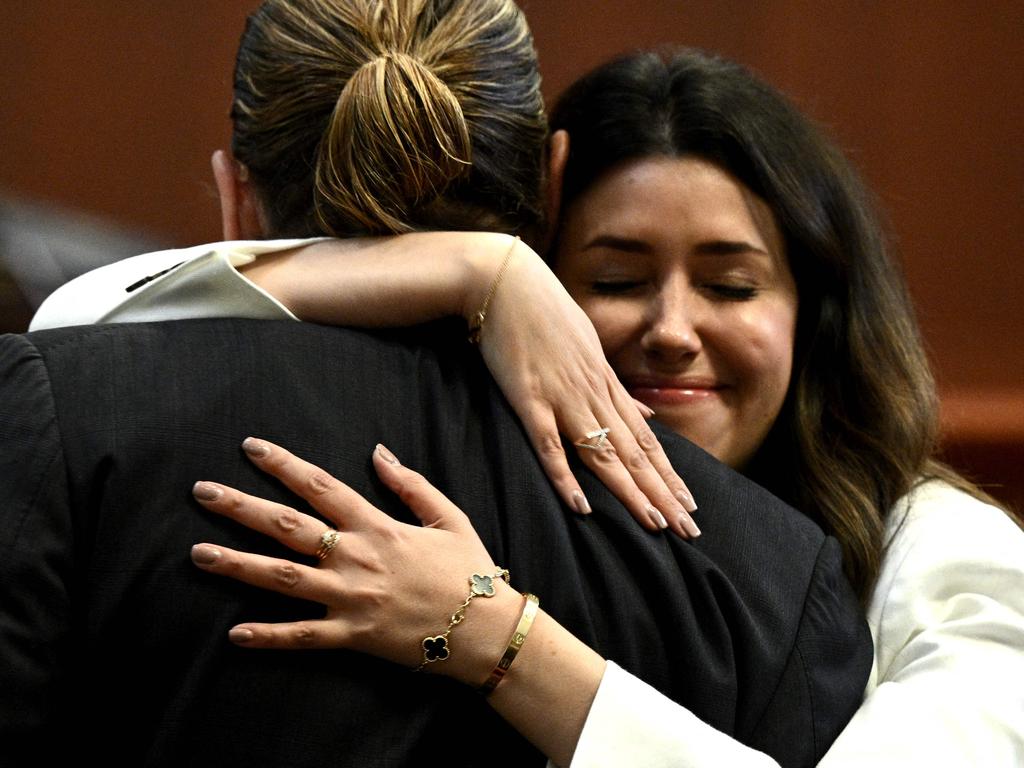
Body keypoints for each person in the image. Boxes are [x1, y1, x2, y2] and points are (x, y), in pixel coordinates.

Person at [56, 46, 1023, 764]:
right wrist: (476, 264)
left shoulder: (943, 551)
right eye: (613, 280)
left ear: (819, 316)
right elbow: (77, 331)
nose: (673, 330)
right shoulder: (491, 469)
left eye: (731, 287)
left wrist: (497, 639)